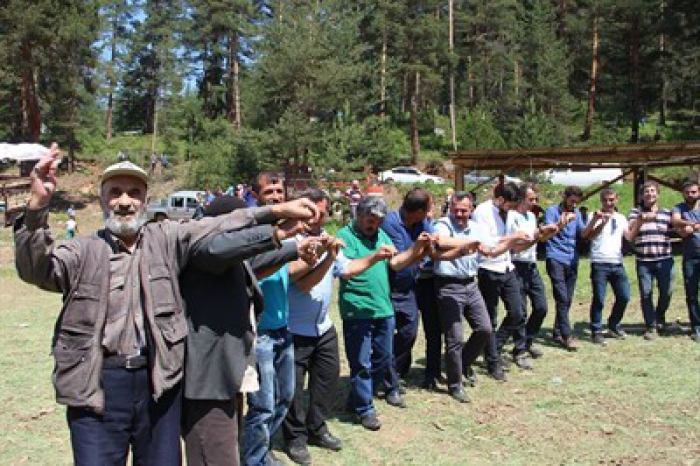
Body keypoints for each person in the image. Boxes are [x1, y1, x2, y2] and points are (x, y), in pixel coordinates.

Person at [13, 144, 319, 466]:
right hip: (98, 387)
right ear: (103, 199)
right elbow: (37, 270)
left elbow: (218, 225)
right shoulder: (82, 251)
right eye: (115, 192)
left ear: (145, 201)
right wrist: (37, 206)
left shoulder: (166, 240)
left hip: (158, 385)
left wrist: (274, 214)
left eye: (134, 192)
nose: (125, 201)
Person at [180, 195, 313, 466]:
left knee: (227, 446)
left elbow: (256, 262)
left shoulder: (231, 260)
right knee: (215, 455)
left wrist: (294, 249)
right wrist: (276, 232)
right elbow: (221, 250)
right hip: (208, 382)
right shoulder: (203, 251)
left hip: (227, 375)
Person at [243, 172, 323, 466]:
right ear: (255, 194)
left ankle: (261, 450)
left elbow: (284, 274)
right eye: (269, 192)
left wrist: (311, 258)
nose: (276, 196)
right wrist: (289, 249)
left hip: (282, 327)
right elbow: (251, 274)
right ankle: (254, 460)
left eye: (279, 191)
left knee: (285, 398)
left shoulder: (286, 231)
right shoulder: (252, 232)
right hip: (260, 332)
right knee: (262, 405)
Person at [336, 196, 430, 431]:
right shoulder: (344, 237)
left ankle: (357, 399)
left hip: (383, 308)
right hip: (358, 309)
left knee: (384, 359)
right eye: (370, 219)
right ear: (359, 215)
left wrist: (417, 247)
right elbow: (346, 270)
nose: (374, 225)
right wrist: (376, 256)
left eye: (378, 221)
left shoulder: (381, 236)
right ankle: (365, 409)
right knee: (361, 362)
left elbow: (396, 263)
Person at [282, 189, 345, 465]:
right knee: (293, 390)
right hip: (295, 329)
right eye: (312, 212)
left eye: (322, 212)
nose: (318, 218)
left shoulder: (322, 238)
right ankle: (295, 438)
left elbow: (349, 268)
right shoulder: (289, 241)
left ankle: (317, 427)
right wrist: (327, 256)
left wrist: (378, 257)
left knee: (327, 379)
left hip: (323, 327)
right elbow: (303, 283)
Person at [432, 192, 492, 402]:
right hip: (448, 286)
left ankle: (462, 364)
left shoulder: (477, 227)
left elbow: (489, 247)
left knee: (484, 328)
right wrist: (468, 243)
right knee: (454, 338)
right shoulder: (442, 224)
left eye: (463, 210)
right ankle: (455, 384)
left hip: (471, 284)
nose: (459, 214)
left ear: (471, 210)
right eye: (455, 209)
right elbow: (440, 241)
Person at [471, 182, 532, 380]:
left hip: (507, 266)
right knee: (490, 317)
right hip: (488, 268)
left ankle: (494, 347)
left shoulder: (511, 212)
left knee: (518, 311)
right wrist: (513, 237)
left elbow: (520, 238)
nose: (513, 209)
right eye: (510, 205)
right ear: (499, 199)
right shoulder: (482, 212)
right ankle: (492, 361)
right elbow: (487, 246)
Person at [379, 187, 434, 401]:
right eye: (428, 210)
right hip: (388, 289)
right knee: (385, 335)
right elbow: (398, 263)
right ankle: (389, 381)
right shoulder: (390, 224)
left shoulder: (421, 223)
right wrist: (420, 248)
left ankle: (393, 372)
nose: (430, 214)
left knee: (408, 333)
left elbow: (433, 243)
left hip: (409, 288)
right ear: (418, 211)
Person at [505, 185, 558, 357]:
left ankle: (528, 340)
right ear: (520, 199)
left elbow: (538, 239)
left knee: (541, 307)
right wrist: (537, 236)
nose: (534, 202)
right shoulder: (511, 216)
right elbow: (515, 247)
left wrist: (557, 227)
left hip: (531, 266)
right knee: (520, 311)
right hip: (516, 265)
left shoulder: (531, 217)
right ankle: (519, 349)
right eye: (531, 199)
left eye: (536, 199)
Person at [582, 188, 632, 345]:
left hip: (617, 263)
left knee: (624, 296)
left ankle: (613, 324)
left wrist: (640, 222)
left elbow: (629, 236)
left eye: (612, 200)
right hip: (599, 262)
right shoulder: (593, 215)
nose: (609, 203)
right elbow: (586, 235)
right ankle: (596, 330)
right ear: (601, 200)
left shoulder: (621, 217)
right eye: (606, 200)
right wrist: (600, 223)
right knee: (599, 299)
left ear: (616, 200)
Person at [628, 181, 674, 340]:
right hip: (644, 261)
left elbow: (676, 230)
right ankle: (651, 326)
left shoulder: (667, 213)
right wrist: (641, 219)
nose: (649, 194)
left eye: (652, 191)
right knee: (646, 294)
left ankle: (659, 316)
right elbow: (630, 235)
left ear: (658, 194)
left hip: (664, 259)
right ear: (641, 195)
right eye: (646, 191)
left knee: (667, 292)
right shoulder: (635, 212)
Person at [544, 186, 587, 351]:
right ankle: (567, 335)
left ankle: (557, 331)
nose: (574, 204)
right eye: (571, 201)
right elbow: (548, 231)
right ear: (565, 197)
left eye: (577, 202)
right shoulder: (551, 211)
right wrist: (562, 223)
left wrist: (595, 223)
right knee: (561, 298)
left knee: (567, 299)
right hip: (555, 258)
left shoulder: (577, 214)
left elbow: (583, 233)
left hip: (572, 260)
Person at [671, 180, 700, 342]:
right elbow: (675, 221)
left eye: (693, 192)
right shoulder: (678, 208)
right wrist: (691, 225)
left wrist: (689, 227)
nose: (690, 195)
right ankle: (696, 326)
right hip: (690, 257)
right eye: (687, 192)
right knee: (692, 293)